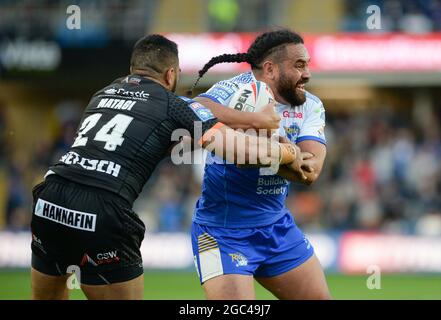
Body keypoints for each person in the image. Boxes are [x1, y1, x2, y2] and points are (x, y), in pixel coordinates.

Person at [30, 34, 306, 300]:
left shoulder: (102, 93)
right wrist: (287, 151)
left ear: (133, 69)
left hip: (49, 199)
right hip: (101, 207)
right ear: (171, 75)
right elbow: (237, 148)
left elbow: (147, 141)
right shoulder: (172, 104)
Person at [189, 29, 331, 299]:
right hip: (220, 233)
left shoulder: (310, 105)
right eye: (299, 65)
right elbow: (193, 110)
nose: (307, 74)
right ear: (270, 69)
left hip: (277, 228)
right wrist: (257, 125)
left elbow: (310, 171)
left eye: (308, 64)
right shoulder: (233, 89)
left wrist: (264, 151)